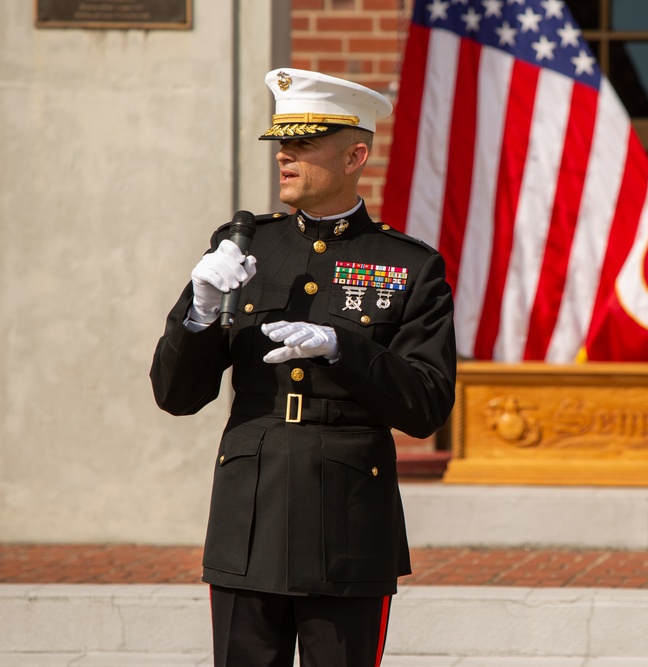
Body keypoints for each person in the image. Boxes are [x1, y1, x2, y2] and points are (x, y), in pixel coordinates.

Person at [150, 68, 456, 667]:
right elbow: (176, 394)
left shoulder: (408, 266)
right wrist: (199, 314)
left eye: (304, 144)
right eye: (281, 144)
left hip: (347, 522)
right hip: (250, 509)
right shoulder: (242, 247)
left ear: (354, 156)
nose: (284, 156)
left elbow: (426, 405)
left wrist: (345, 347)